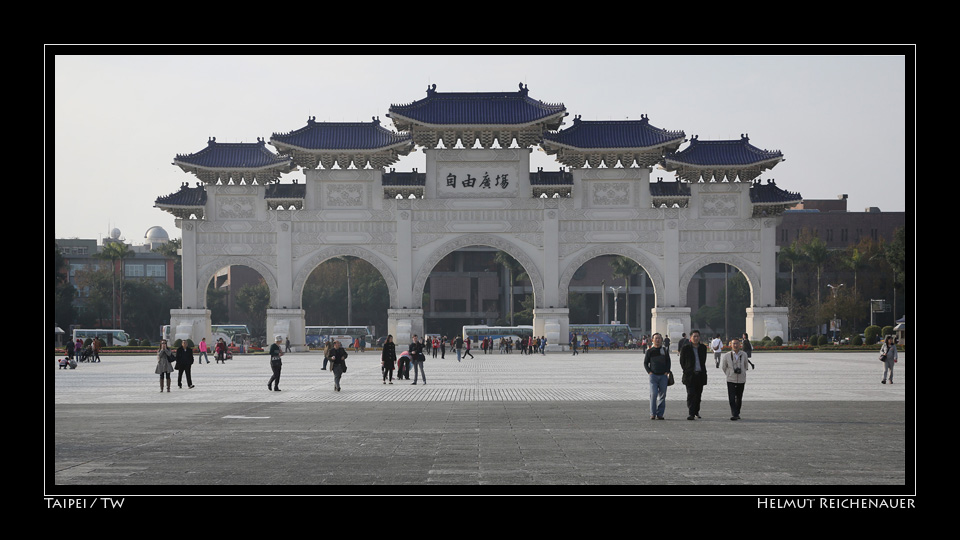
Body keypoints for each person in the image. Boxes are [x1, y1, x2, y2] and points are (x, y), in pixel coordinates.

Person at [678, 329, 707, 420]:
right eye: (694, 336)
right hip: (690, 375)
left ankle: (696, 411)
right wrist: (687, 370)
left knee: (698, 395)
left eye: (697, 336)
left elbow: (703, 360)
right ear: (690, 337)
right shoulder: (686, 348)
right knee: (691, 394)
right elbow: (682, 361)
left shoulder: (703, 348)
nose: (696, 338)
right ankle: (691, 413)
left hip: (700, 375)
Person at [720, 338, 751, 420]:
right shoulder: (727, 355)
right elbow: (724, 367)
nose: (735, 345)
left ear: (740, 345)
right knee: (731, 397)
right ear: (731, 345)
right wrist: (729, 374)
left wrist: (743, 372)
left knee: (739, 397)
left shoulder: (744, 354)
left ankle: (737, 412)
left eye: (737, 343)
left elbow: (746, 366)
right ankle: (734, 414)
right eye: (734, 343)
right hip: (731, 379)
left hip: (741, 379)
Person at [643, 333, 671, 420]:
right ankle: (652, 413)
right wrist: (649, 372)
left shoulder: (664, 350)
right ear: (652, 340)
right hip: (653, 376)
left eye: (659, 338)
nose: (657, 340)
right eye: (656, 338)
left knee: (663, 395)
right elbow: (645, 363)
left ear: (661, 340)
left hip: (663, 376)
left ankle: (660, 414)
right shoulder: (650, 351)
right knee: (653, 394)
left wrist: (667, 371)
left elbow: (668, 362)